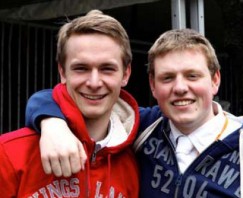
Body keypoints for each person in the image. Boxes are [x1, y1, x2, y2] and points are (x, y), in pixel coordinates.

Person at [25, 29, 243, 197]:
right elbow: (58, 97)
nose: (180, 88)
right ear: (153, 86)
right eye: (167, 78)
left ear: (215, 80)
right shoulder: (141, 128)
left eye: (192, 75)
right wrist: (52, 124)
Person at [0, 10, 140, 197]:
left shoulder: (133, 164)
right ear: (63, 72)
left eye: (107, 69)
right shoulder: (9, 153)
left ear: (126, 74)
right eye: (81, 68)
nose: (94, 82)